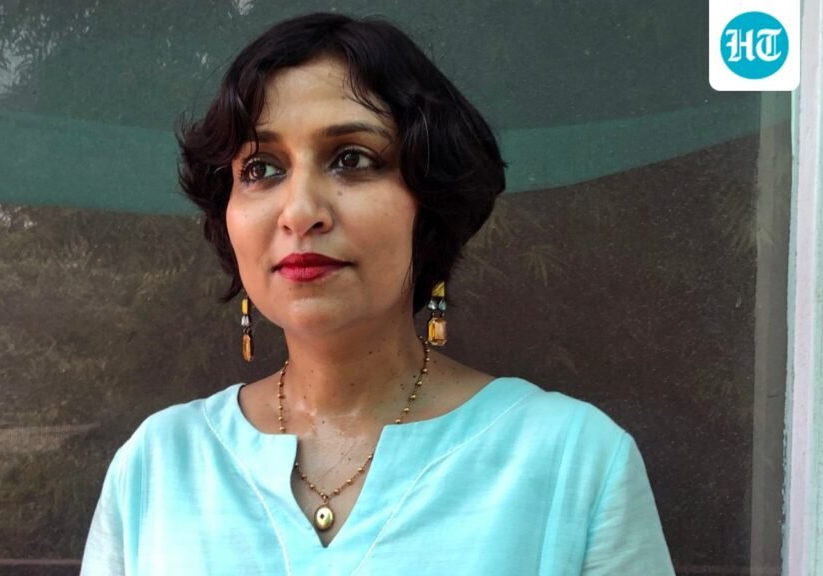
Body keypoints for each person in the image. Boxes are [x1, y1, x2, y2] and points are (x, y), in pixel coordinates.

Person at [81, 12, 674, 575]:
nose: (301, 212)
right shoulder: (159, 468)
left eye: (351, 159)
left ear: (429, 203)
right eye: (261, 169)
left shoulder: (573, 464)